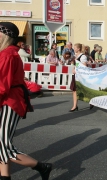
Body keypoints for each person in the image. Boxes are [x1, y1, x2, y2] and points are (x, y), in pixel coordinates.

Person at [0, 21, 52, 180]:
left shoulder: (7, 54)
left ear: (4, 36)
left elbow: (2, 85)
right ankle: (5, 177)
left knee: (3, 145)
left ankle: (41, 167)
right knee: (2, 143)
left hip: (10, 102)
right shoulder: (8, 53)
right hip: (8, 100)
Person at [69, 43, 88, 112]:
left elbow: (84, 66)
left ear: (78, 48)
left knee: (83, 90)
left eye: (75, 48)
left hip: (80, 76)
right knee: (74, 90)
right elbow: (76, 65)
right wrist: (74, 68)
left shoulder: (83, 56)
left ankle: (92, 102)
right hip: (76, 75)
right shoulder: (75, 56)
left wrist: (76, 69)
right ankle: (75, 106)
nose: (74, 49)